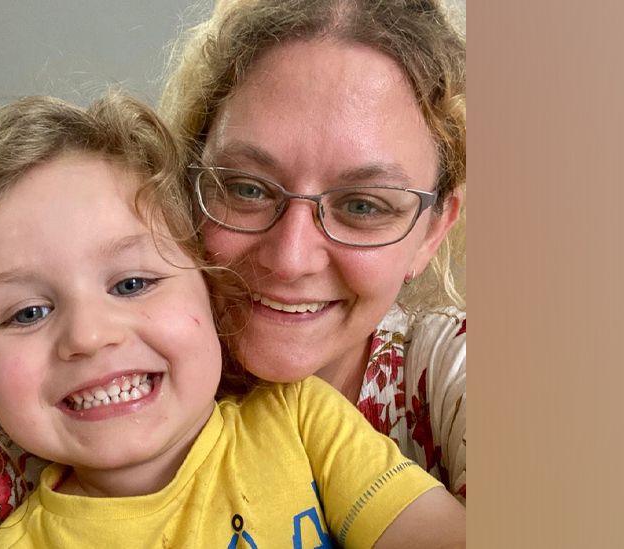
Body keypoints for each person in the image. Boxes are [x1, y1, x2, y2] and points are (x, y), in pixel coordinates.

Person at [0, 93, 464, 548]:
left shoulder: (300, 422)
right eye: (27, 313)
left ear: (211, 287)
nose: (88, 336)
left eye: (132, 284)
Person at [159, 0, 467, 503]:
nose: (290, 258)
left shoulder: (459, 373)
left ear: (431, 232)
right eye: (248, 189)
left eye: (363, 206)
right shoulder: (93, 373)